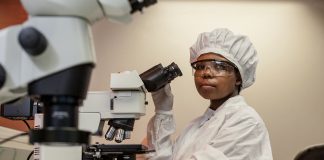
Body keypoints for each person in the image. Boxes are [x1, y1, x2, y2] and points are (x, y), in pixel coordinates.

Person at [145, 28, 273, 160]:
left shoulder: (246, 122)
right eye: (200, 67)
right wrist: (163, 111)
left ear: (239, 78)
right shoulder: (196, 127)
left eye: (220, 66)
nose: (206, 73)